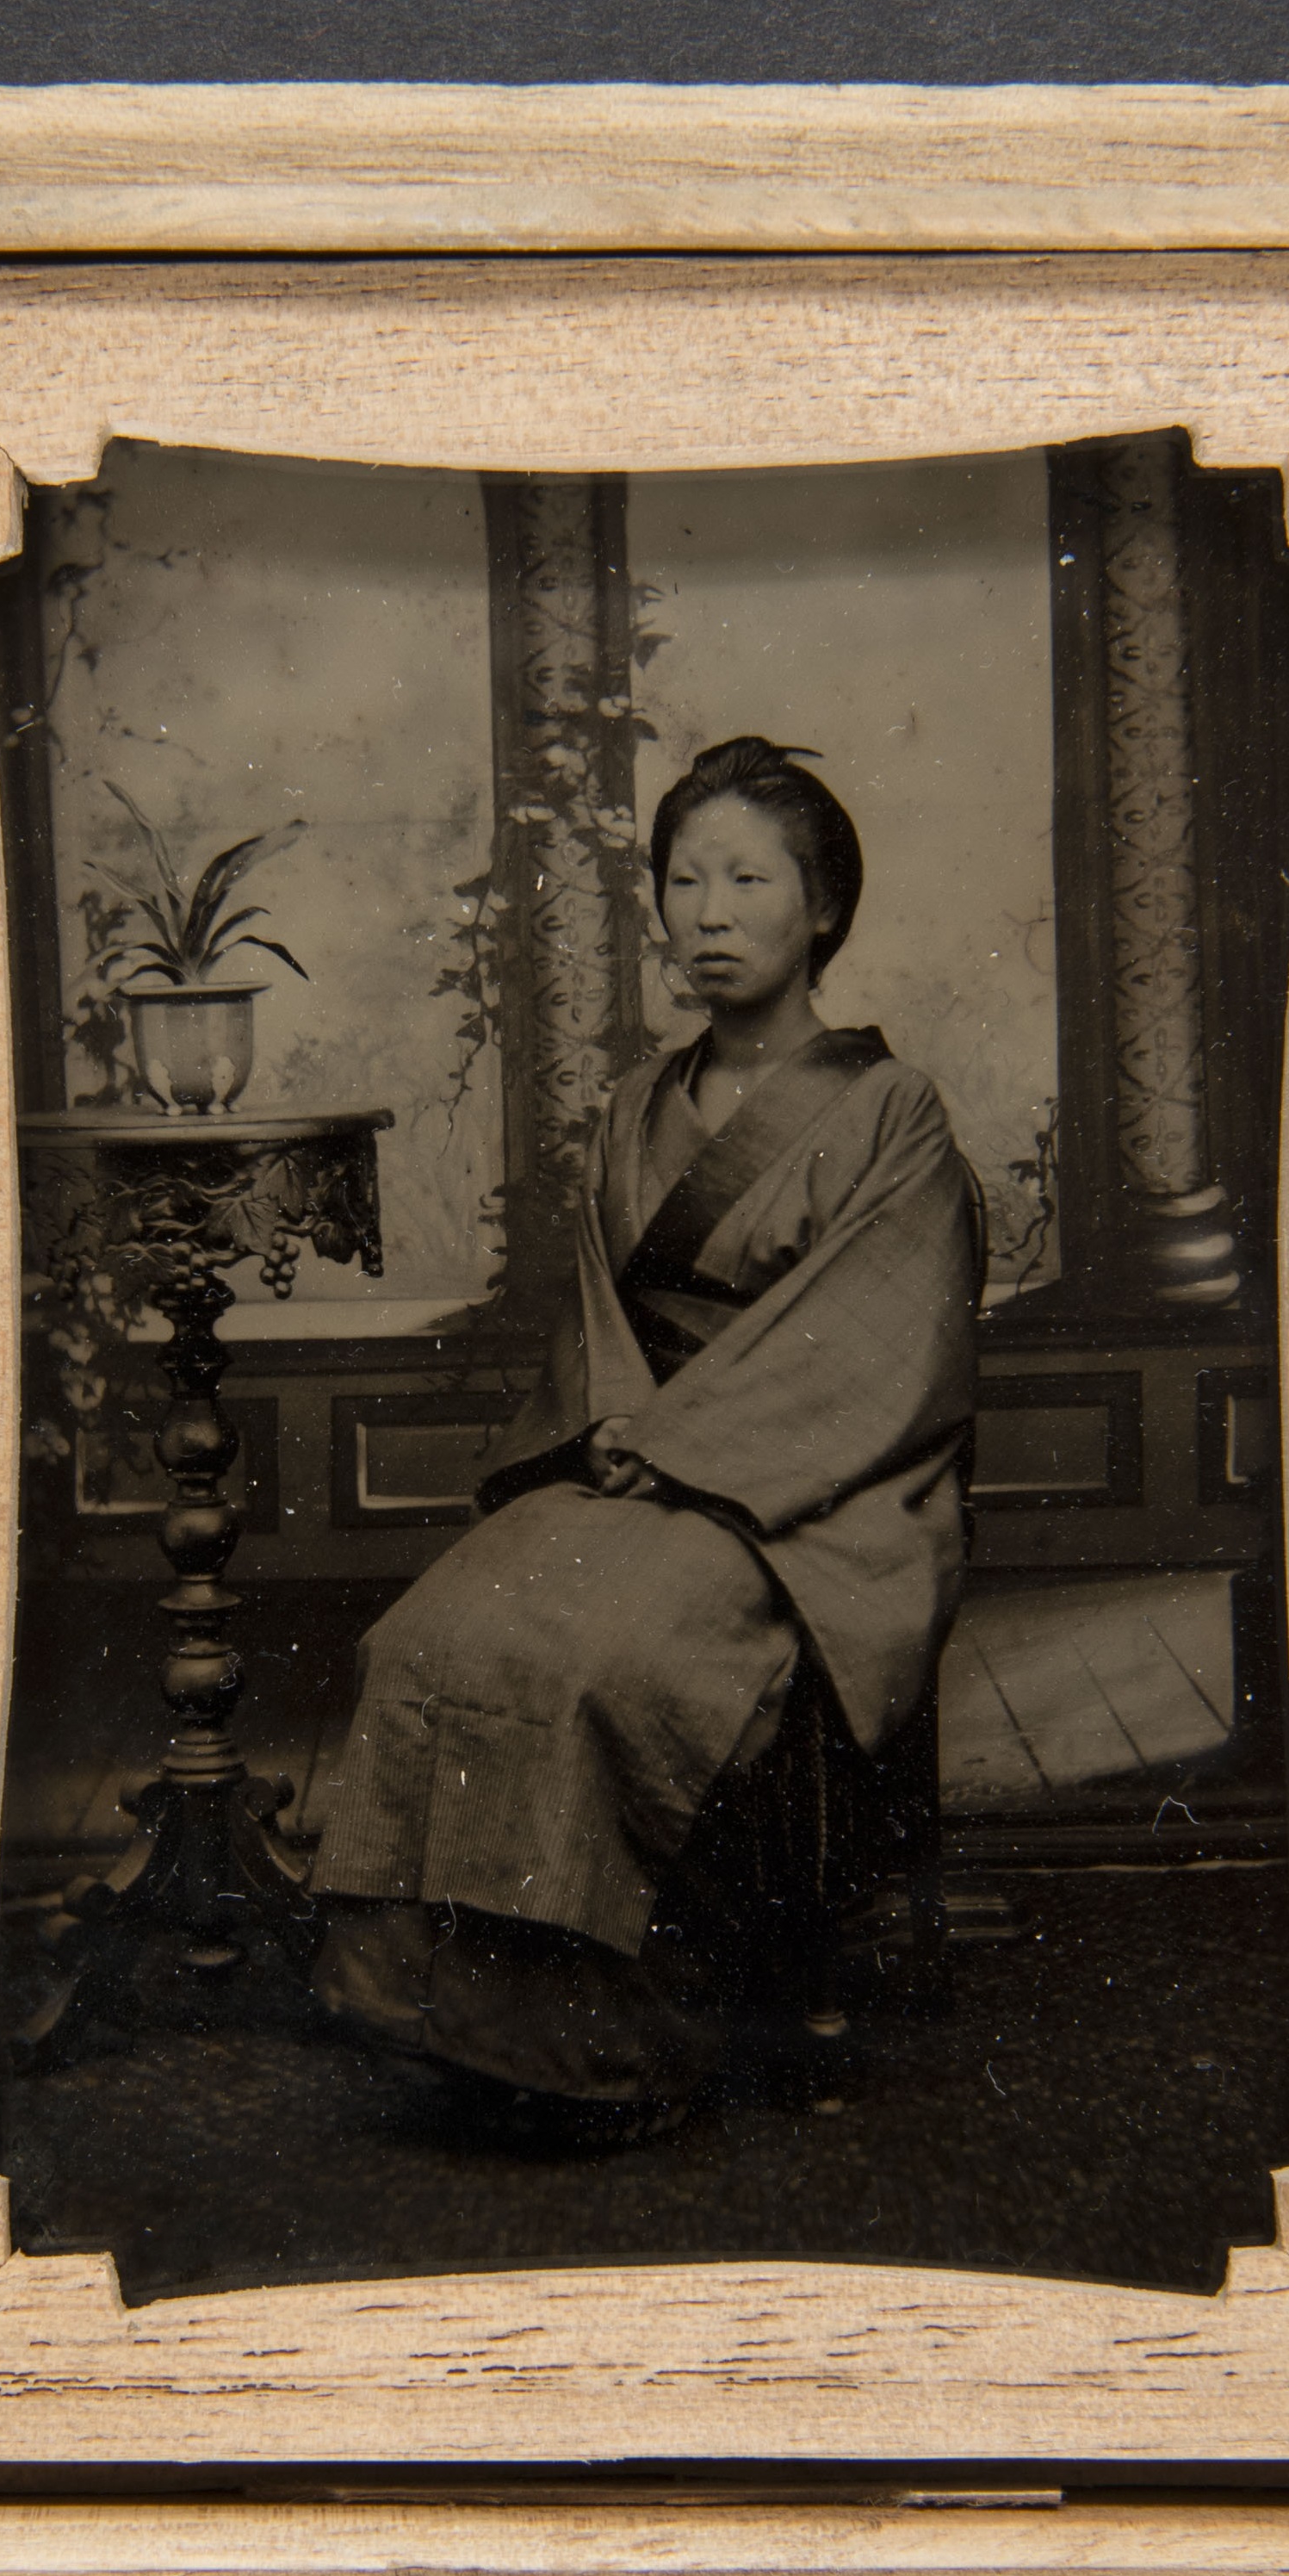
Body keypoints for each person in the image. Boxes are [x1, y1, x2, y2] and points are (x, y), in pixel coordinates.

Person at [270, 736, 980, 2114]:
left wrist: (677, 1449)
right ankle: (441, 2000)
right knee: (432, 1633)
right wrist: (608, 1427)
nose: (708, 912)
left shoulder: (891, 1110)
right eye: (684, 879)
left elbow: (875, 1345)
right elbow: (596, 1312)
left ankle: (605, 2023)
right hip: (637, 1452)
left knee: (608, 1652)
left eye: (748, 879)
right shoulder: (634, 1106)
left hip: (810, 1492)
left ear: (822, 906)